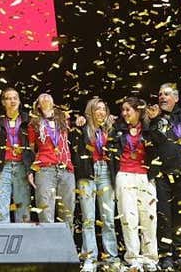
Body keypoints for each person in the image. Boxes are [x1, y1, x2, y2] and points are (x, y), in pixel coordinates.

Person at [113, 97, 161, 271]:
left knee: (149, 217)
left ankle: (150, 257)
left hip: (145, 176)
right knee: (128, 217)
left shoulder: (148, 130)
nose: (125, 113)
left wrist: (155, 120)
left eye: (128, 110)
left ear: (138, 111)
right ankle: (133, 257)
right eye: (123, 110)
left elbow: (160, 142)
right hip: (124, 175)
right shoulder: (118, 129)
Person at [71, 98, 118, 270]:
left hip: (106, 173)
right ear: (90, 111)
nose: (101, 112)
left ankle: (112, 258)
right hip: (87, 175)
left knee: (108, 219)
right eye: (97, 109)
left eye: (103, 109)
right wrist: (78, 123)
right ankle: (90, 258)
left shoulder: (111, 129)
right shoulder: (82, 128)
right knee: (88, 219)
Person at [148, 83, 181, 269]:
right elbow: (154, 140)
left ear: (176, 98)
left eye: (166, 94)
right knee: (164, 215)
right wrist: (154, 120)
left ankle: (180, 253)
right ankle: (165, 255)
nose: (162, 97)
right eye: (159, 94)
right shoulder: (153, 118)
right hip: (162, 175)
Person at [0, 88, 32, 222]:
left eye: (15, 98)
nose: (12, 101)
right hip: (2, 167)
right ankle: (2, 240)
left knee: (22, 205)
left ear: (19, 101)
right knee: (0, 206)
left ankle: (24, 240)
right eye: (9, 98)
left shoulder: (28, 120)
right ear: (3, 102)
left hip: (22, 166)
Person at [26, 93, 75, 226]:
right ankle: (48, 247)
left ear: (54, 102)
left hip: (66, 169)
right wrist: (31, 170)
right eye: (42, 97)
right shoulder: (33, 124)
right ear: (38, 105)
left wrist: (81, 118)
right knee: (45, 214)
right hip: (45, 170)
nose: (46, 98)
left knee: (67, 214)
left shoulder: (64, 120)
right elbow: (31, 150)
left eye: (48, 96)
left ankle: (66, 247)